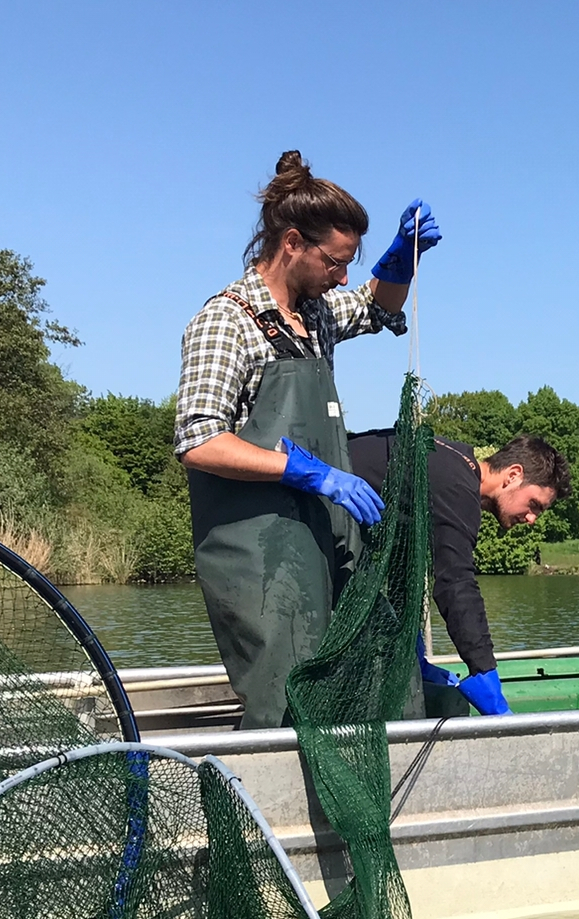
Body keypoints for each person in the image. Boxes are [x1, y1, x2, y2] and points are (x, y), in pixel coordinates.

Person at [173, 150, 439, 728]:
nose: (342, 276)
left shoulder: (313, 314)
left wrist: (400, 261)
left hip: (321, 542)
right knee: (283, 699)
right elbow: (198, 442)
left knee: (354, 675)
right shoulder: (227, 320)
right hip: (260, 560)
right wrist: (304, 472)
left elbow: (373, 307)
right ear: (292, 242)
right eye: (335, 261)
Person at [345, 431, 571, 715]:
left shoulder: (452, 461)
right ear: (513, 475)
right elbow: (455, 583)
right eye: (534, 504)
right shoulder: (457, 486)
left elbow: (403, 565)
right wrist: (483, 669)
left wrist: (414, 657)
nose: (532, 519)